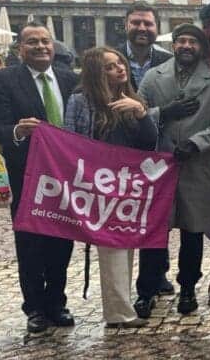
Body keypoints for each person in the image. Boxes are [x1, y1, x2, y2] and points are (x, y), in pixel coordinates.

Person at [135, 24, 210, 317]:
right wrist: (162, 113)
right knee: (154, 233)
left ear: (201, 48)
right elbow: (137, 115)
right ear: (173, 45)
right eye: (181, 41)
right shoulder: (153, 77)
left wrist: (196, 142)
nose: (186, 46)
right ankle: (147, 289)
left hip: (197, 166)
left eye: (192, 41)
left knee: (193, 233)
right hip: (159, 167)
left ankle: (189, 288)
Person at [0, 22, 78, 334]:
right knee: (30, 244)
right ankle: (35, 308)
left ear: (53, 47)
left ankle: (57, 301)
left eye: (45, 41)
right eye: (32, 42)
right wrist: (16, 130)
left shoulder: (69, 79)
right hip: (27, 175)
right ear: (19, 49)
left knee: (62, 242)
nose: (40, 47)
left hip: (66, 178)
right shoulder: (4, 80)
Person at [63, 47, 157, 328]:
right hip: (99, 184)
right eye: (109, 66)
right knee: (112, 247)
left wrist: (141, 112)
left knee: (126, 244)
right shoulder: (80, 101)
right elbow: (71, 141)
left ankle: (121, 306)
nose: (119, 68)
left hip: (130, 184)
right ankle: (119, 313)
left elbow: (149, 142)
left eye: (120, 63)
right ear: (96, 73)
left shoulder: (133, 99)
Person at [118, 1, 174, 296]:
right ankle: (121, 280)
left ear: (156, 28)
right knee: (122, 215)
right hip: (120, 152)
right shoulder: (110, 59)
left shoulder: (168, 61)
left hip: (158, 147)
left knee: (157, 216)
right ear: (125, 25)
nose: (142, 28)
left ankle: (156, 274)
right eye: (136, 23)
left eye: (148, 24)